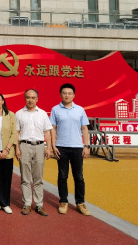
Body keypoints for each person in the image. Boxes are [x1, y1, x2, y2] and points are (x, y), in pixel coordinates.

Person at [51, 83, 92, 217]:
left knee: (78, 176)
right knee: (62, 176)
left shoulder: (80, 110)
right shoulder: (55, 109)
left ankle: (80, 202)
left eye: (69, 93)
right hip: (61, 147)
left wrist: (86, 146)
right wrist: (53, 146)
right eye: (64, 93)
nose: (67, 95)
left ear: (74, 95)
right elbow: (53, 129)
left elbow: (84, 128)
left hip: (77, 147)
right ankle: (63, 201)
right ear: (60, 94)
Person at [15, 89, 53, 217]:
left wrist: (48, 148)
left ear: (37, 99)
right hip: (24, 146)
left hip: (39, 146)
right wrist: (17, 148)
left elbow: (47, 132)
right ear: (25, 98)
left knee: (38, 178)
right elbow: (16, 132)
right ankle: (27, 204)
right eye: (28, 97)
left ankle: (39, 205)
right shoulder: (19, 114)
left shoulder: (42, 114)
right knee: (25, 178)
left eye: (33, 97)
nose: (30, 100)